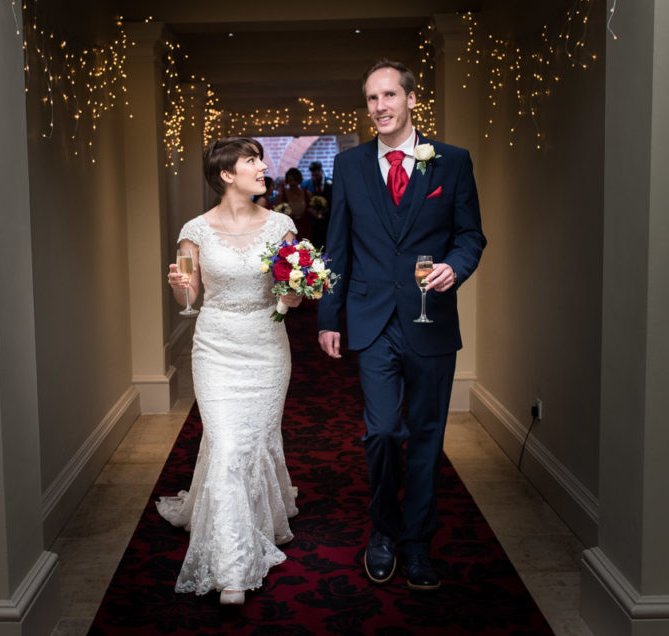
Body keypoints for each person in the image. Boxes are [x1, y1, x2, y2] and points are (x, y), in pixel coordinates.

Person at [317, 59, 486, 591]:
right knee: (385, 431)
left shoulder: (452, 162)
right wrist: (329, 315)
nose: (381, 107)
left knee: (429, 436)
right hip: (372, 320)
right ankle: (384, 532)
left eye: (390, 95)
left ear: (412, 100)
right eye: (372, 98)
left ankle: (417, 543)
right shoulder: (349, 166)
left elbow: (471, 236)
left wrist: (454, 268)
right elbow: (336, 247)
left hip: (430, 319)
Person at [160, 137, 302, 605]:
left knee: (256, 440)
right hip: (216, 348)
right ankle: (233, 569)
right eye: (252, 160)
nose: (263, 167)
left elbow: (291, 296)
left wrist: (299, 288)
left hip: (266, 347)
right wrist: (181, 286)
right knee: (225, 443)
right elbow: (189, 299)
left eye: (260, 160)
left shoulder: (281, 225)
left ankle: (257, 519)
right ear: (226, 174)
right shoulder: (195, 230)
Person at [273, 166, 314, 241]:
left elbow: (312, 210)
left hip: (305, 227)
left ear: (299, 180)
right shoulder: (281, 196)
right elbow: (276, 214)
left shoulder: (307, 194)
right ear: (287, 181)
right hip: (289, 228)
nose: (292, 183)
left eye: (295, 180)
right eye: (290, 180)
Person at [302, 160, 332, 248]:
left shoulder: (331, 183)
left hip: (328, 222)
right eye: (312, 175)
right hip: (313, 224)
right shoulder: (305, 185)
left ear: (321, 172)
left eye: (317, 175)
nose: (314, 178)